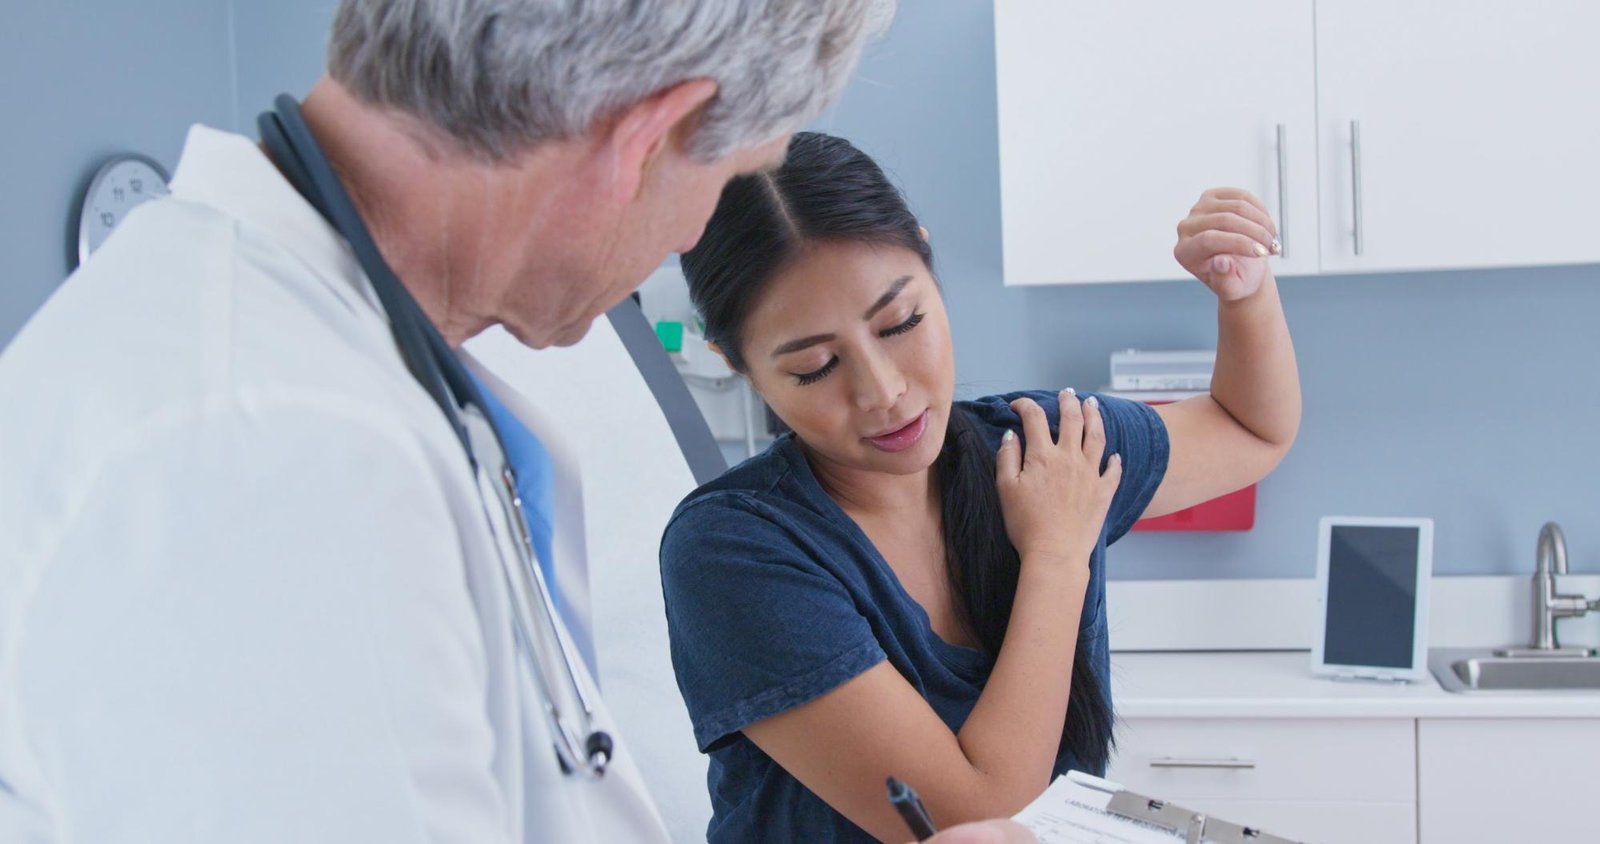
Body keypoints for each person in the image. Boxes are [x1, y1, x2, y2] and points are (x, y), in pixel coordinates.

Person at [0, 2, 1026, 841]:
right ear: (645, 140)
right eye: (719, 186)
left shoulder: (334, 365)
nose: (689, 237)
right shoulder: (269, 446)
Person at [661, 132, 1302, 842]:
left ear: (927, 261)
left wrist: (1245, 292)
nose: (883, 391)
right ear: (738, 363)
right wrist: (1057, 555)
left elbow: (1251, 430)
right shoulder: (732, 550)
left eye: (901, 323)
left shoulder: (1042, 450)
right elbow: (975, 819)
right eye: (815, 367)